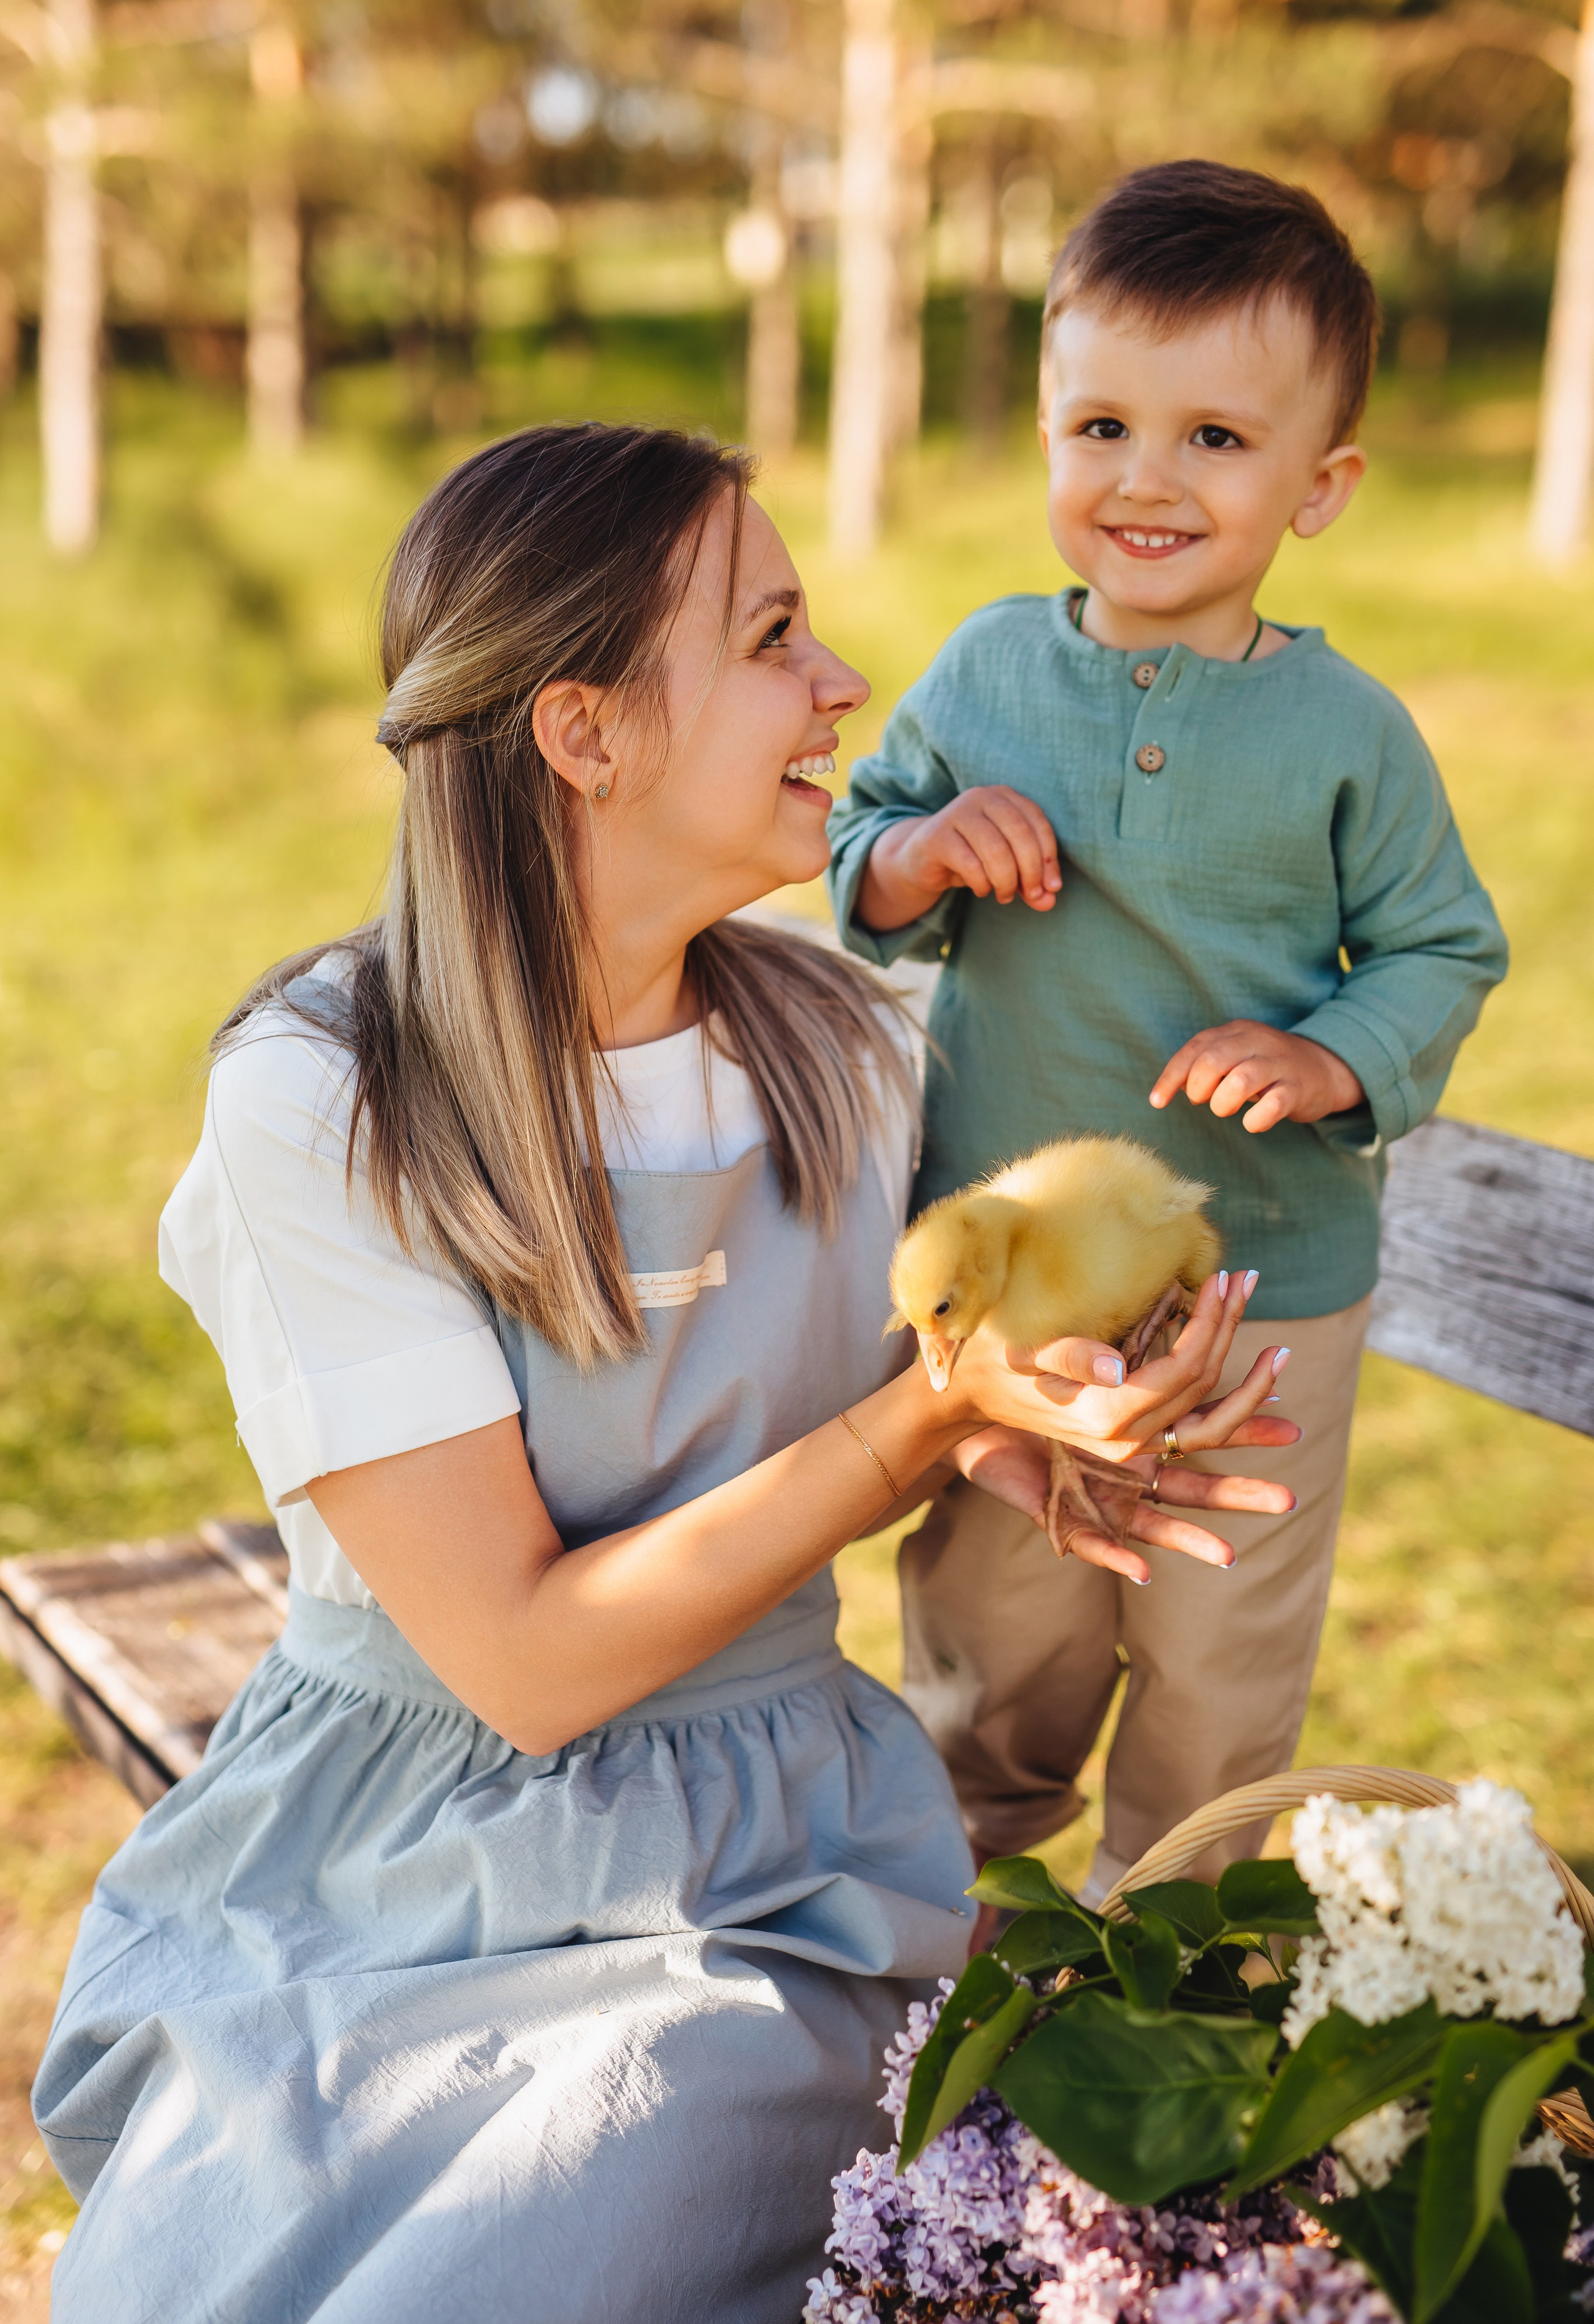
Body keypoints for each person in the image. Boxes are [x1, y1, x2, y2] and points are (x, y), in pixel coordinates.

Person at [32, 422, 1292, 2324]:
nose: (843, 681)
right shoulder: (325, 1093)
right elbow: (530, 1664)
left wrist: (1030, 1435)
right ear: (585, 731)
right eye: (774, 632)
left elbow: (868, 1378)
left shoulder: (845, 1045)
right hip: (395, 1860)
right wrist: (926, 1421)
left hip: (771, 1860)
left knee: (610, 2180)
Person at [826, 159, 1509, 1911]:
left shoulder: (1348, 730)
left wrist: (1334, 1053)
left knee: (1216, 1660)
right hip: (1017, 1277)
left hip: (1261, 1287)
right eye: (1104, 425)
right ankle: (953, 1915)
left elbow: (1441, 945)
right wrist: (916, 851)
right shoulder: (983, 670)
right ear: (1050, 435)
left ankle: (1169, 1943)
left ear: (1322, 484)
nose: (1145, 477)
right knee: (1002, 1626)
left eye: (1216, 438)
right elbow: (856, 853)